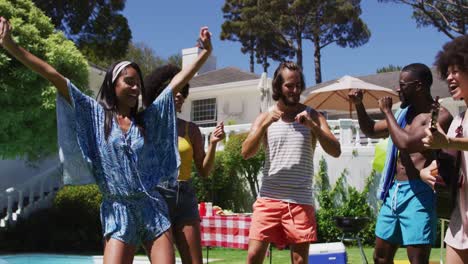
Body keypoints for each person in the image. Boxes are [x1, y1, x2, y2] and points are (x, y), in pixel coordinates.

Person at [0, 16, 213, 264]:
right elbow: (53, 75)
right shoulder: (95, 115)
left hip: (151, 207)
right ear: (113, 84)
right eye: (129, 82)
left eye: (138, 84)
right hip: (118, 210)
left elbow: (175, 85)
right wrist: (10, 45)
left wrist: (204, 54)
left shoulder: (147, 121)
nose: (135, 88)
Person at [348, 63, 452, 264]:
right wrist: (360, 105)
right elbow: (370, 129)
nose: (398, 89)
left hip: (419, 194)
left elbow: (406, 143)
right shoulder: (403, 115)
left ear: (419, 86)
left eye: (403, 85)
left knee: (417, 260)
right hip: (394, 192)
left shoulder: (439, 116)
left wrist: (387, 112)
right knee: (380, 257)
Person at [241, 61, 341, 264]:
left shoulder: (313, 115)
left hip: (300, 200)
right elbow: (246, 152)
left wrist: (313, 126)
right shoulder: (264, 117)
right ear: (278, 87)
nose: (295, 90)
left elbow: (336, 151)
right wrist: (265, 125)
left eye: (298, 85)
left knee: (299, 261)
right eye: (289, 86)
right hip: (269, 198)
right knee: (253, 257)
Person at [142, 64, 225, 264]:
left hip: (185, 196)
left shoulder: (191, 130)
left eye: (182, 91)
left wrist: (213, 144)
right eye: (174, 89)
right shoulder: (147, 125)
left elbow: (204, 171)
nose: (179, 95)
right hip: (156, 197)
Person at [420, 35, 468, 264]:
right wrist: (427, 171)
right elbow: (449, 158)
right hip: (461, 218)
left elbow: (452, 144)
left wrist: (447, 142)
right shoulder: (459, 119)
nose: (449, 77)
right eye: (447, 72)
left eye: (456, 71)